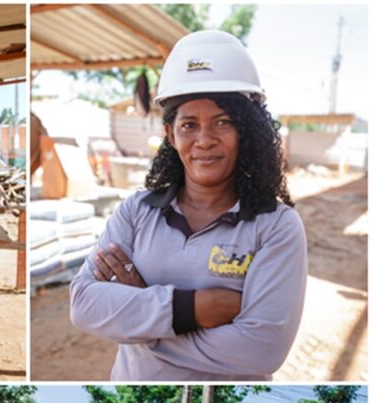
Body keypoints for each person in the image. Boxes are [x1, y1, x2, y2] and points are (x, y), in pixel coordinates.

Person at [68, 30, 306, 381]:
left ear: (246, 130)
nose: (204, 140)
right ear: (170, 134)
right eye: (189, 125)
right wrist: (192, 309)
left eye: (222, 122)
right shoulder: (137, 211)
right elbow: (84, 305)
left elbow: (260, 351)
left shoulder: (275, 226)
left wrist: (141, 326)